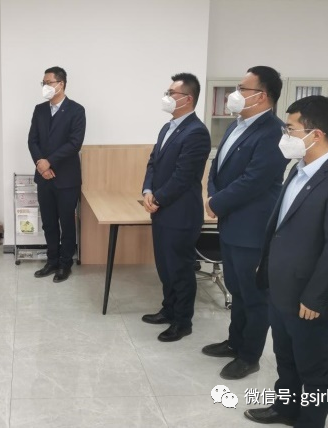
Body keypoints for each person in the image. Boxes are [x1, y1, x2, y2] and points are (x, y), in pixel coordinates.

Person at [245, 96, 328, 427]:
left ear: (316, 134)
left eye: (290, 129)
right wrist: (266, 265)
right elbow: (280, 227)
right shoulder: (296, 170)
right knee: (285, 358)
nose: (284, 136)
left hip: (308, 299)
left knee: (313, 368)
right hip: (280, 289)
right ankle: (285, 408)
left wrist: (315, 297)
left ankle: (310, 421)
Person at [202, 66, 289, 379]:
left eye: (242, 88)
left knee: (253, 295)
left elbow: (254, 180)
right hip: (230, 222)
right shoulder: (237, 124)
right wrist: (213, 195)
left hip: (252, 227)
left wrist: (217, 202)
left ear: (261, 95)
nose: (234, 94)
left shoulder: (274, 132)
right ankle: (234, 342)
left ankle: (249, 356)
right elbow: (217, 165)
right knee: (237, 289)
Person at [141, 73, 211, 342]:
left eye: (171, 93)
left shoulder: (197, 132)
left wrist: (157, 199)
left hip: (180, 213)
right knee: (165, 266)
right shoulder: (168, 127)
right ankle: (168, 310)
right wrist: (148, 191)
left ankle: (182, 322)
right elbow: (153, 162)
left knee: (180, 269)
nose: (167, 97)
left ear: (188, 99)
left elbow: (183, 176)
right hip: (161, 210)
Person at [28, 66, 86, 283]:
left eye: (48, 82)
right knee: (49, 222)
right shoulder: (39, 110)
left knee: (66, 223)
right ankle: (51, 261)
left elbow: (74, 143)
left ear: (61, 84)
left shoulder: (76, 110)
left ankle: (65, 264)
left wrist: (49, 161)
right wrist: (41, 165)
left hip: (67, 178)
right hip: (44, 177)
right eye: (43, 83)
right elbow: (32, 140)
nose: (45, 86)